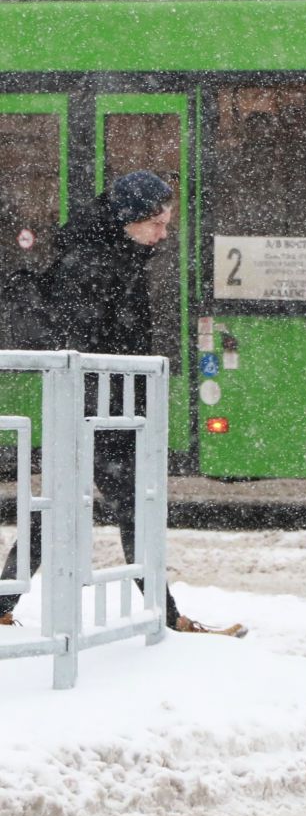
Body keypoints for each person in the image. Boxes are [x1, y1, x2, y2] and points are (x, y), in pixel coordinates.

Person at [0, 171, 244, 637]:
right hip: (97, 413)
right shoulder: (94, 263)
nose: (163, 233)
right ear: (129, 220)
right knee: (130, 511)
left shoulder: (113, 256)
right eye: (158, 223)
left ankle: (3, 603)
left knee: (55, 513)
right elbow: (85, 344)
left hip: (99, 411)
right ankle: (166, 621)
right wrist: (112, 401)